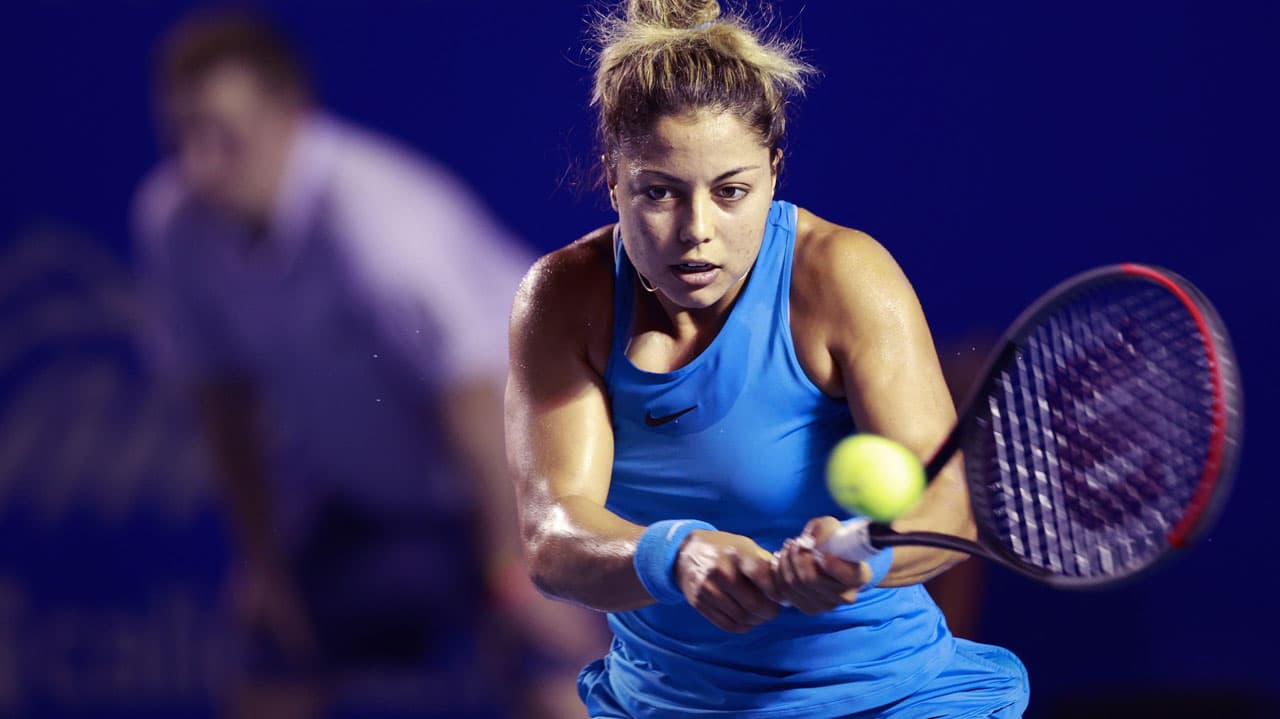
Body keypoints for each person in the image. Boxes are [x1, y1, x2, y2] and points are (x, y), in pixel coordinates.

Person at [504, 1, 1031, 716]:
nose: (698, 232)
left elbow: (951, 507)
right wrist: (676, 554)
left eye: (731, 192)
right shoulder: (564, 298)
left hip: (893, 701)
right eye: (658, 191)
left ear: (775, 173)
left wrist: (862, 560)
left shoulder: (844, 275)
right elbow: (553, 533)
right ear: (612, 181)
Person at [134, 11, 602, 719]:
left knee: (556, 665)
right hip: (378, 509)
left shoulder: (374, 216)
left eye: (225, 135)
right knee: (274, 645)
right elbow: (222, 401)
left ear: (292, 116)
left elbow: (477, 395)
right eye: (183, 135)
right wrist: (261, 560)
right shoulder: (174, 223)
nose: (201, 162)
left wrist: (513, 568)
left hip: (532, 476)